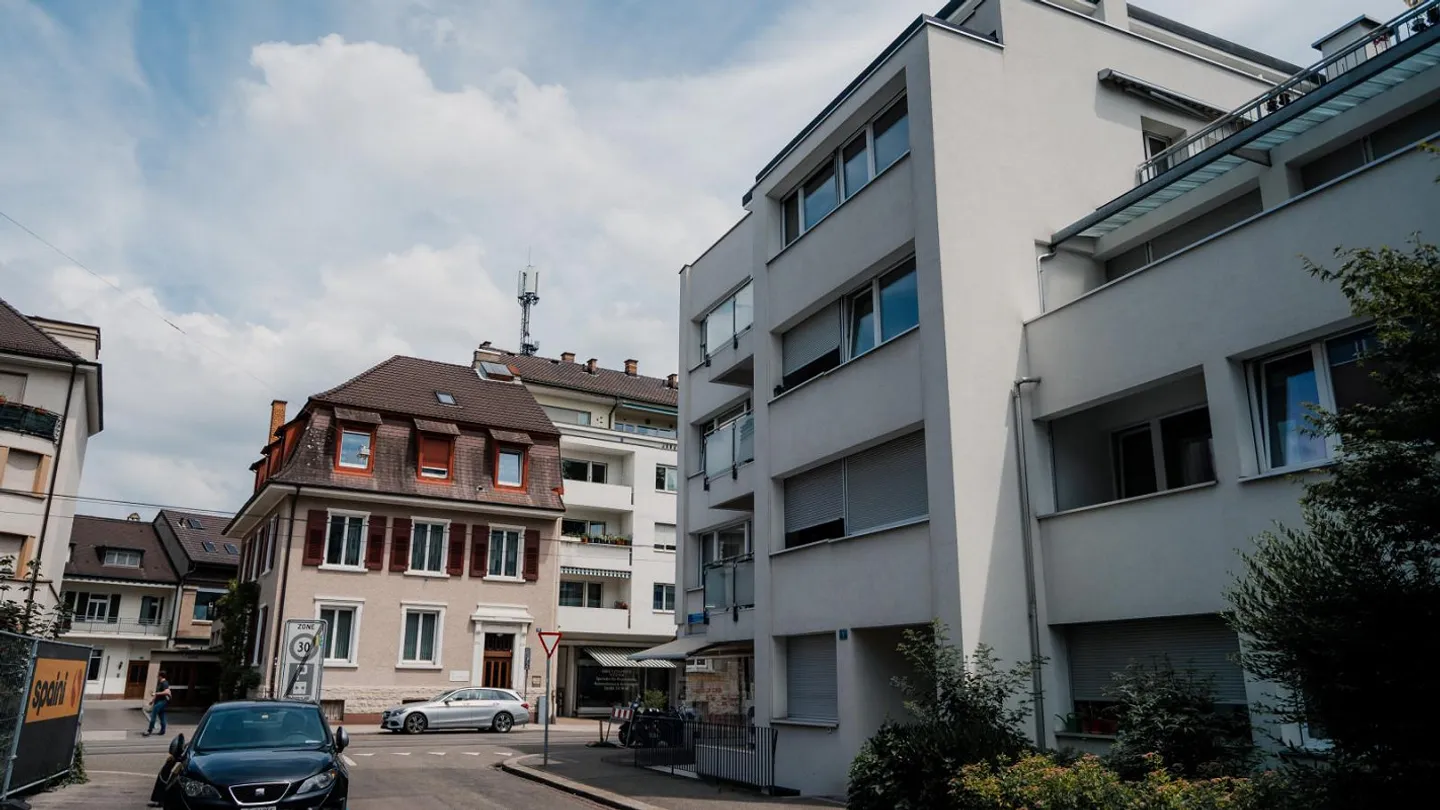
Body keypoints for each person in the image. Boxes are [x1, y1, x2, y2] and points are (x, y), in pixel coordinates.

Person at [142, 670, 172, 737]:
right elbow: (157, 694)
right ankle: (162, 731)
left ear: (161, 676)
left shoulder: (165, 683)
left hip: (161, 702)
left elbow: (167, 692)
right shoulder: (160, 683)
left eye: (158, 676)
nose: (157, 677)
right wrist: (152, 701)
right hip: (159, 702)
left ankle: (149, 731)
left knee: (153, 715)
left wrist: (156, 693)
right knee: (162, 716)